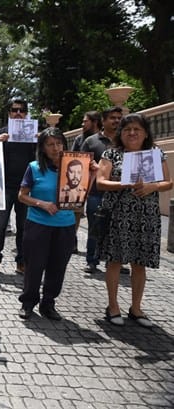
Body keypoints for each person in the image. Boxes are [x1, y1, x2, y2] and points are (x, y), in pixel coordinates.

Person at [96, 113, 172, 327]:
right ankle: (113, 306)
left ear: (145, 133)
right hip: (119, 214)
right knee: (115, 260)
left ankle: (136, 308)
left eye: (137, 129)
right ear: (121, 133)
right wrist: (124, 183)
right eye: (127, 129)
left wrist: (153, 186)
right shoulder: (112, 154)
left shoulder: (156, 153)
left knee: (140, 263)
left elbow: (168, 182)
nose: (132, 133)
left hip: (146, 216)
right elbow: (100, 182)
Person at [18, 128, 76, 320]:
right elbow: (22, 196)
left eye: (59, 143)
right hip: (38, 224)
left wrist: (90, 173)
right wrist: (41, 204)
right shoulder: (34, 167)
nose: (55, 148)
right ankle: (28, 302)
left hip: (65, 225)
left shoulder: (74, 168)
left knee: (58, 266)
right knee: (34, 265)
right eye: (50, 144)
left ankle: (48, 303)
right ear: (42, 148)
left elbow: (82, 193)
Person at [0, 98, 36, 275]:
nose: (18, 113)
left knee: (24, 228)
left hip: (25, 187)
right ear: (9, 113)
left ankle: (21, 262)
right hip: (3, 187)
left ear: (26, 113)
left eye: (22, 110)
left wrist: (39, 140)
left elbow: (42, 158)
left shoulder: (33, 134)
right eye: (14, 110)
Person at [80, 107, 122, 274]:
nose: (117, 121)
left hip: (119, 193)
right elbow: (80, 164)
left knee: (117, 228)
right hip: (96, 193)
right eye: (112, 118)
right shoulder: (91, 141)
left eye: (119, 118)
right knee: (95, 227)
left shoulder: (125, 142)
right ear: (103, 121)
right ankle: (92, 260)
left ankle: (115, 261)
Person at [70, 111, 102, 254]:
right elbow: (70, 159)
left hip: (99, 186)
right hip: (80, 183)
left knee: (97, 220)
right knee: (75, 213)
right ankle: (72, 241)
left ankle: (97, 251)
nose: (83, 124)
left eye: (85, 121)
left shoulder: (104, 139)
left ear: (95, 122)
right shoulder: (79, 139)